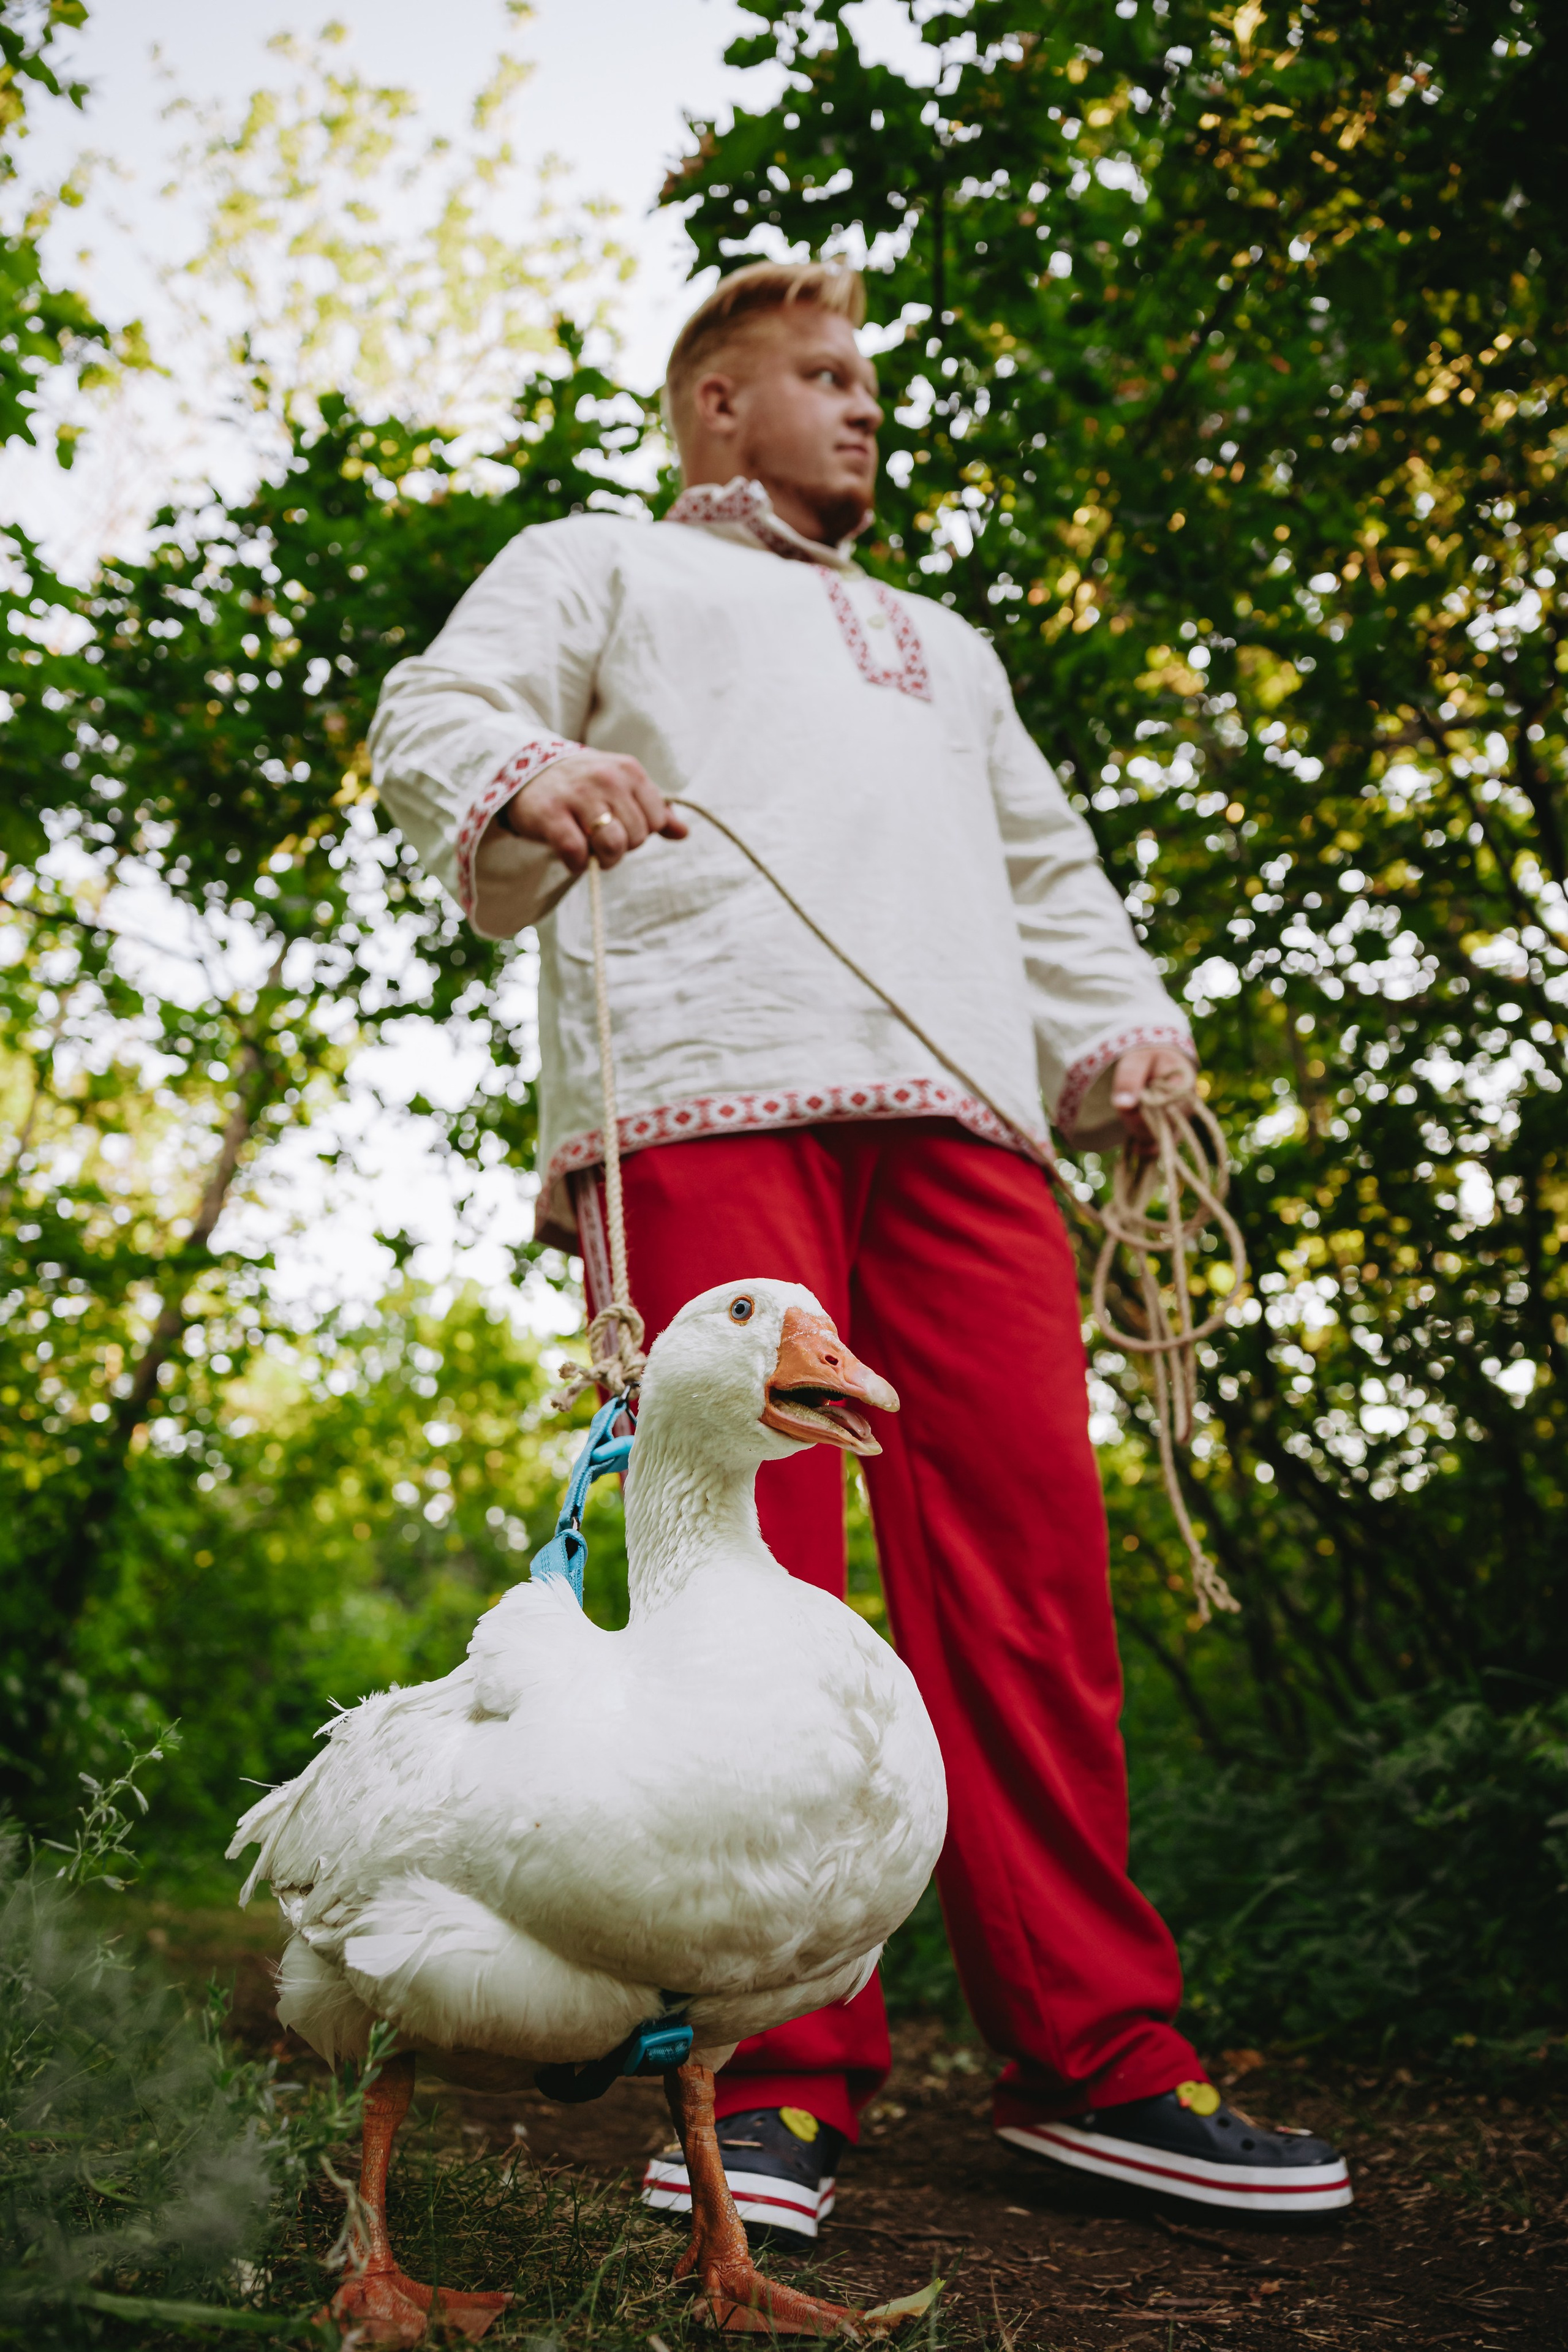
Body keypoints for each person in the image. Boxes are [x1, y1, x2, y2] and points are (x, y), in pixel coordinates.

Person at [369, 262, 1351, 2223]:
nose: (863, 408)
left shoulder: (945, 644)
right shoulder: (604, 562)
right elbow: (440, 709)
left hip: (965, 1115)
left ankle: (1099, 2062)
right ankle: (768, 2081)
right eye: (821, 376)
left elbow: (1047, 877)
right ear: (715, 405)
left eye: (870, 381)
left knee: (1033, 1581)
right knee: (750, 1584)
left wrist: (1120, 1034)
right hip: (705, 1089)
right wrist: (524, 773)